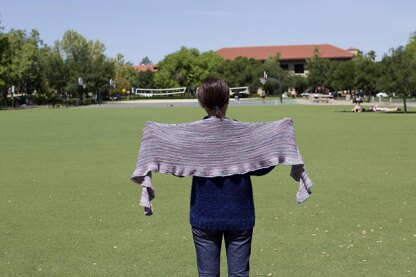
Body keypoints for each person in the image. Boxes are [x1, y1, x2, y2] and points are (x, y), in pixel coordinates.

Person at [192, 78, 274, 276]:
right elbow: (261, 169)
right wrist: (274, 149)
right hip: (240, 214)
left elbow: (178, 163)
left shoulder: (193, 134)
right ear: (228, 99)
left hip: (204, 215)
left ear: (201, 103)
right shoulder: (243, 133)